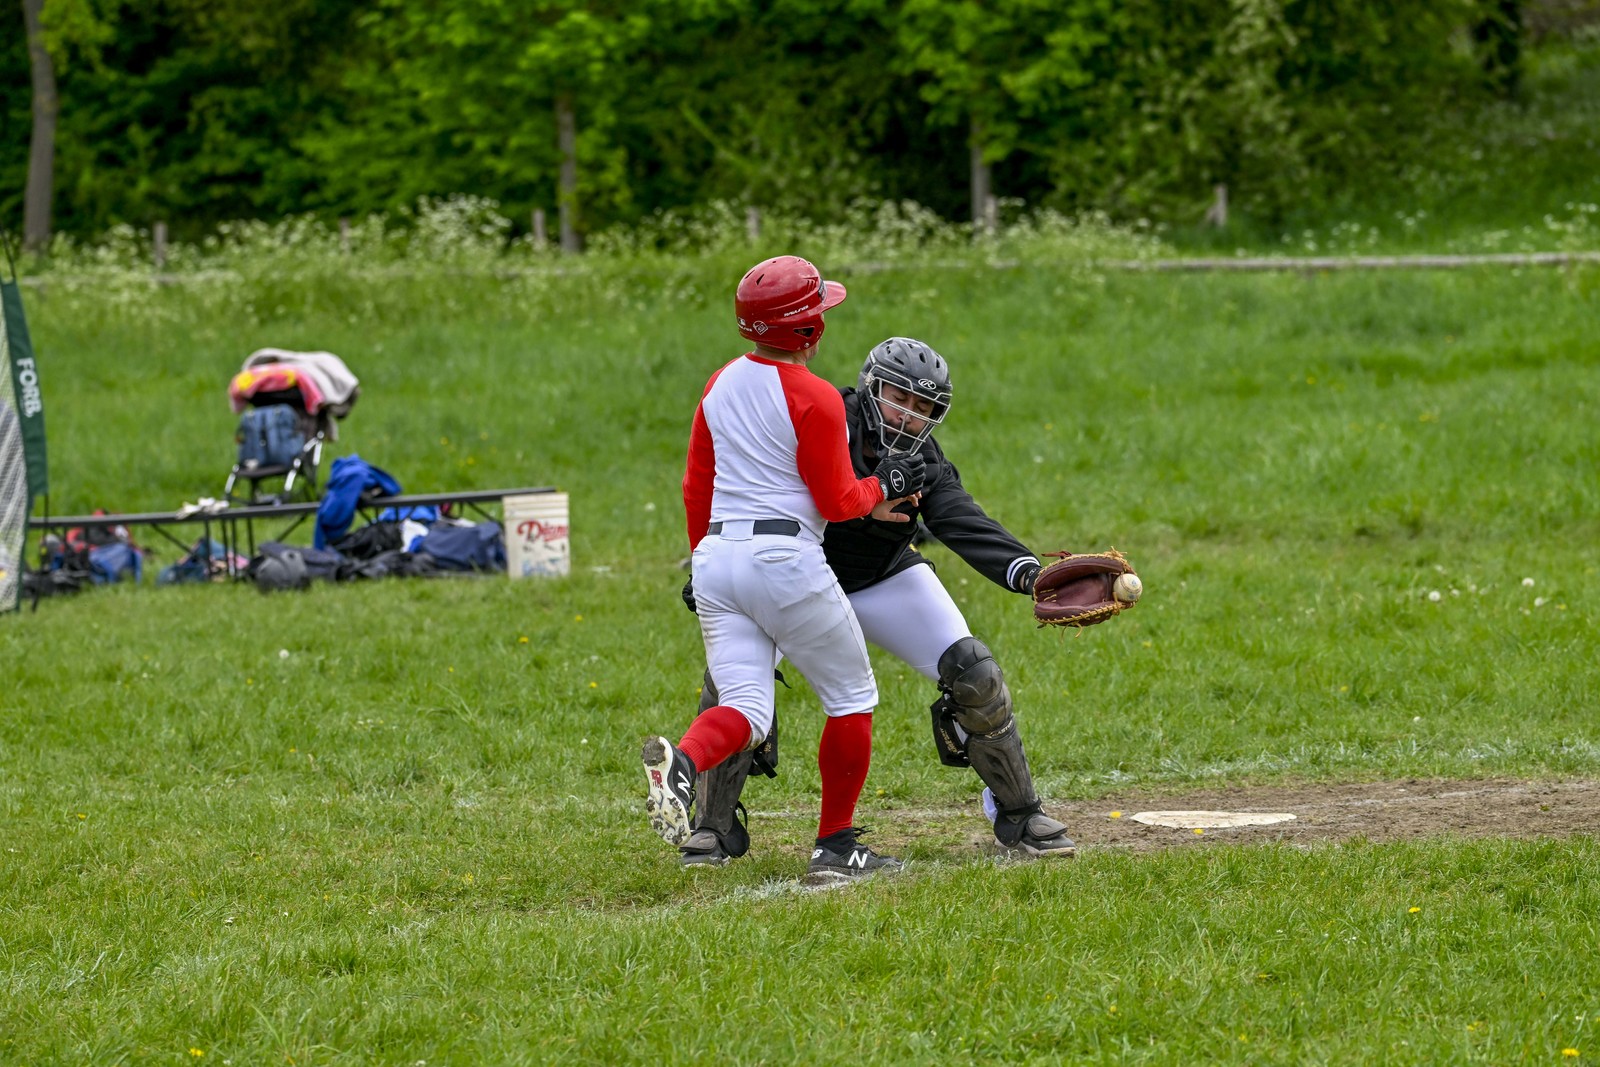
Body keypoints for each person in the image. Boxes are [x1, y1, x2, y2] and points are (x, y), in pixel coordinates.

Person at [678, 336, 1079, 867]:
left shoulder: (924, 458)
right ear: (871, 387)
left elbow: (960, 518)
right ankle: (712, 825)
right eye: (898, 397)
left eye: (924, 407)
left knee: (973, 669)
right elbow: (762, 487)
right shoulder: (826, 416)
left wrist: (1029, 573)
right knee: (729, 685)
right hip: (797, 579)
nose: (908, 414)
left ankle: (1019, 811)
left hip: (878, 577)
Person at [641, 256, 928, 883]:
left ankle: (684, 765)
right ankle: (836, 846)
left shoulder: (719, 382)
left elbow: (697, 487)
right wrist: (884, 482)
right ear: (808, 331)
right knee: (852, 698)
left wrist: (700, 561)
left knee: (747, 708)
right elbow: (838, 504)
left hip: (717, 556)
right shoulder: (818, 397)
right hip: (784, 559)